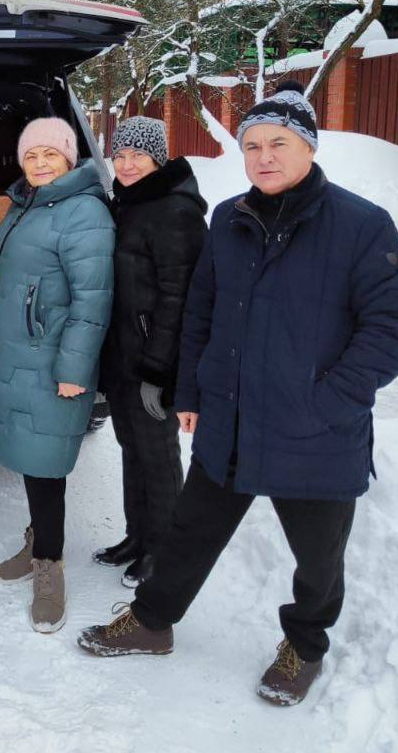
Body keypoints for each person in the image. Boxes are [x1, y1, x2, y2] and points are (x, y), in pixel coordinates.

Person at [78, 81, 398, 706]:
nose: (263, 157)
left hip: (317, 432)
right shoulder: (229, 219)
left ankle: (304, 645)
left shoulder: (363, 225)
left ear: (309, 146)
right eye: (251, 146)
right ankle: (152, 620)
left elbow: (387, 329)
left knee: (317, 558)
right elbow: (201, 312)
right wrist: (192, 390)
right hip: (230, 421)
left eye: (278, 143)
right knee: (189, 531)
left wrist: (329, 401)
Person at [0, 117, 114, 633]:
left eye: (51, 153)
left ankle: (50, 566)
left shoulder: (83, 212)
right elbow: (10, 282)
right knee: (33, 458)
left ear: (70, 158)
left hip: (53, 361)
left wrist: (74, 369)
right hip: (24, 350)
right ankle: (37, 539)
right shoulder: (26, 204)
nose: (41, 163)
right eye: (32, 155)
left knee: (47, 464)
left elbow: (92, 301)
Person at [95, 117, 207, 588]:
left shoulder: (174, 210)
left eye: (137, 155)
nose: (126, 164)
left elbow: (179, 298)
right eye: (119, 155)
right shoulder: (129, 204)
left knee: (159, 457)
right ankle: (137, 536)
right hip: (125, 357)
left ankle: (163, 552)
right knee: (131, 449)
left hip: (154, 365)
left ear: (158, 158)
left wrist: (158, 370)